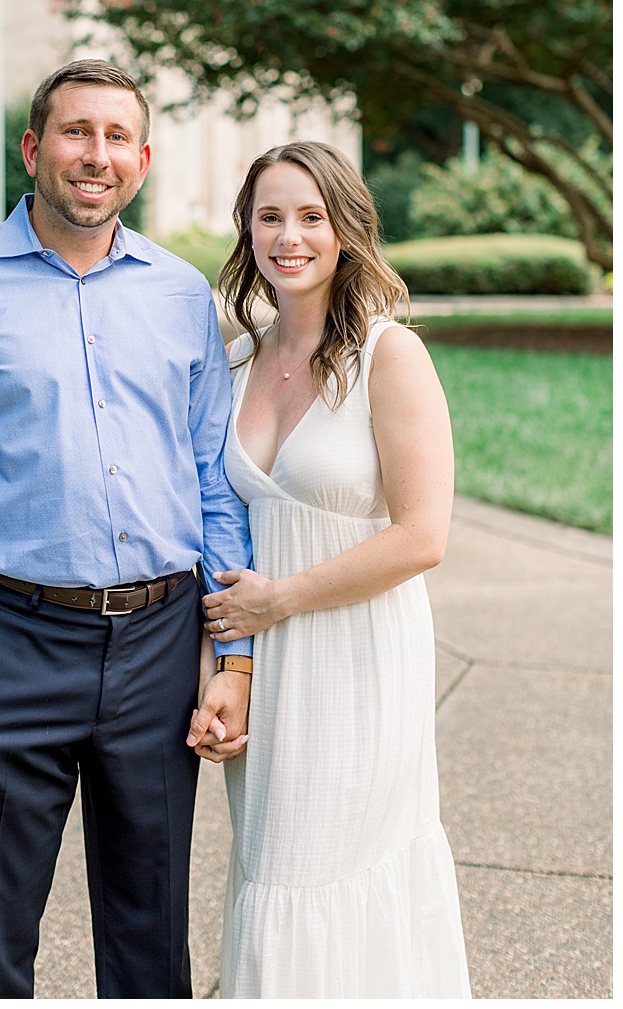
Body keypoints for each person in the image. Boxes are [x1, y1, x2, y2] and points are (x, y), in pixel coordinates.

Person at [0, 59, 254, 998]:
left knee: (150, 940)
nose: (98, 155)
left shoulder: (179, 294)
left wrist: (231, 652)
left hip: (161, 645)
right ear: (33, 148)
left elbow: (213, 479)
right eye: (78, 132)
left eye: (117, 136)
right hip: (6, 643)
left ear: (144, 158)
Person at [201, 141, 471, 996]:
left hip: (357, 651)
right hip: (266, 661)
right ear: (247, 231)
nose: (291, 236)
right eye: (270, 216)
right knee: (272, 868)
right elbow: (221, 527)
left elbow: (423, 535)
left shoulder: (389, 357)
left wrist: (282, 599)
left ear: (345, 230)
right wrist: (226, 666)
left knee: (341, 864)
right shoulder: (236, 362)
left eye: (311, 217)